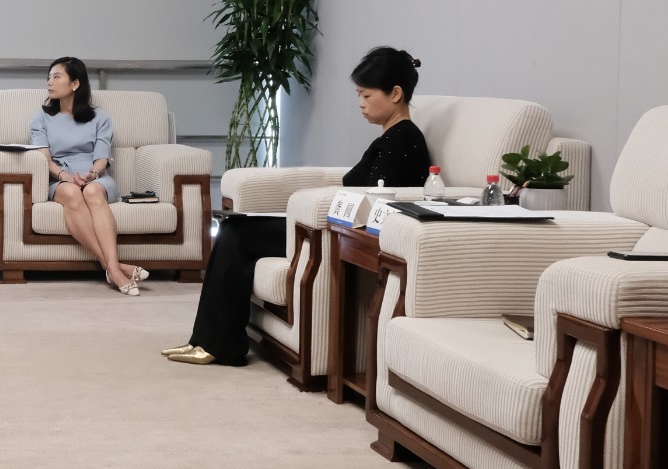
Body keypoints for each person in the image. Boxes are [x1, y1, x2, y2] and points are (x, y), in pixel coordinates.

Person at [166, 46, 431, 366]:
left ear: (396, 94)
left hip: (338, 233)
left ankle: (217, 345)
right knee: (233, 228)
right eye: (358, 95)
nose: (360, 104)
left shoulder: (404, 140)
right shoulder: (390, 137)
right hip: (326, 225)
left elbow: (379, 198)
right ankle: (205, 340)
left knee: (236, 234)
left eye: (366, 95)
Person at [30, 56, 147, 295]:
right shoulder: (41, 118)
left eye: (56, 77)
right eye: (49, 77)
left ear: (75, 84)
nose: (49, 82)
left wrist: (92, 174)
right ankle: (113, 267)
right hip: (60, 177)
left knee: (92, 191)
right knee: (72, 193)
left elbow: (102, 157)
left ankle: (112, 267)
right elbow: (44, 158)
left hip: (95, 176)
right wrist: (65, 176)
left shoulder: (99, 118)